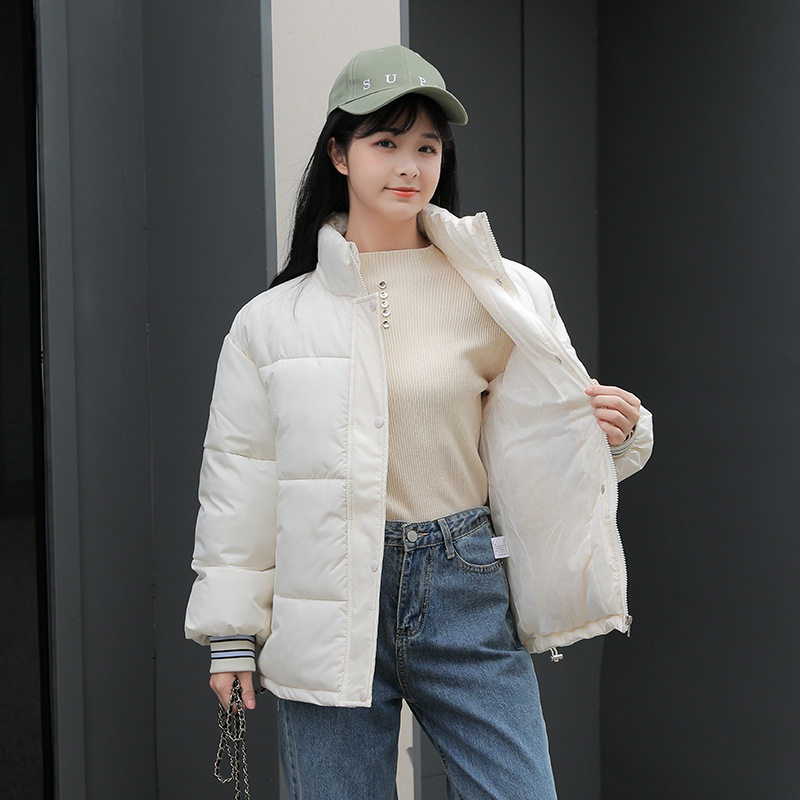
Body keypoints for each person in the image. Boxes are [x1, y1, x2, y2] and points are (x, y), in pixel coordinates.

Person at [185, 44, 653, 800]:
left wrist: (620, 434)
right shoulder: (269, 322)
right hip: (325, 594)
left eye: (427, 148)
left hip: (463, 582)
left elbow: (543, 440)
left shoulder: (502, 293)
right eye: (386, 143)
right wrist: (231, 636)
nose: (409, 166)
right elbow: (241, 484)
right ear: (339, 154)